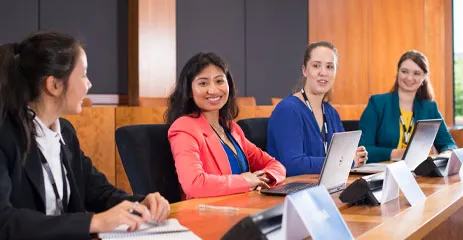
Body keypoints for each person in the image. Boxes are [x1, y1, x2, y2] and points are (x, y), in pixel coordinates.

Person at [0, 31, 170, 239]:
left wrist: (139, 203)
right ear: (54, 85)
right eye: (83, 75)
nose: (89, 84)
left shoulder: (65, 132)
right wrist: (95, 221)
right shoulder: (6, 136)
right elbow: (5, 221)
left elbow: (96, 191)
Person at [167, 52, 286, 199]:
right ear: (189, 91)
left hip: (241, 207)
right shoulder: (184, 127)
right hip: (206, 214)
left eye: (219, 81)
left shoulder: (232, 129)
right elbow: (195, 184)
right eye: (203, 83)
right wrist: (246, 181)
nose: (213, 90)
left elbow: (276, 166)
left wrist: (263, 178)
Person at [267, 41, 368, 177]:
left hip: (325, 185)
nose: (323, 72)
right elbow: (292, 165)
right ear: (304, 70)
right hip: (293, 192)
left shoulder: (331, 112)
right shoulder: (288, 110)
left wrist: (356, 155)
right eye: (316, 66)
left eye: (329, 67)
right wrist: (347, 161)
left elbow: (342, 155)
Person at [358, 50, 457, 163]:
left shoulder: (429, 108)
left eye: (416, 73)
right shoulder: (377, 103)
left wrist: (446, 154)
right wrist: (396, 154)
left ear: (424, 77)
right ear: (398, 72)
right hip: (383, 172)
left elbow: (449, 144)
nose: (409, 78)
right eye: (404, 71)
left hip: (419, 173)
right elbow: (362, 150)